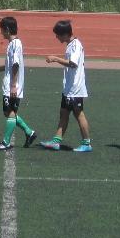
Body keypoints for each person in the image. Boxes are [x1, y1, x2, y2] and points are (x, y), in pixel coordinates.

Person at [0, 16, 36, 151]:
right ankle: (29, 132)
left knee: (10, 112)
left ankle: (6, 142)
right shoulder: (12, 44)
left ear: (7, 29)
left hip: (12, 86)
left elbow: (15, 65)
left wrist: (13, 85)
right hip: (10, 85)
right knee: (8, 112)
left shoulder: (15, 44)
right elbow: (10, 64)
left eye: (1, 29)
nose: (0, 32)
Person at [43, 20, 90, 152]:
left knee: (79, 114)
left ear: (65, 34)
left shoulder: (75, 45)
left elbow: (73, 63)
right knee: (63, 113)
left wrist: (55, 59)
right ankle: (56, 141)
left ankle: (86, 143)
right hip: (69, 88)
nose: (56, 37)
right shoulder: (70, 44)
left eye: (58, 34)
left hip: (75, 88)